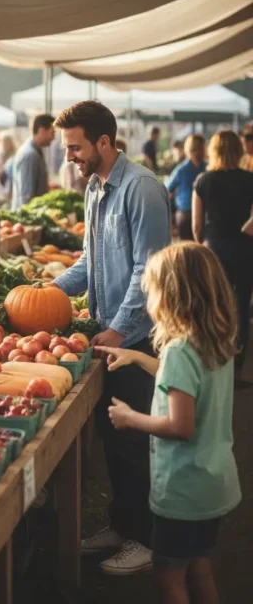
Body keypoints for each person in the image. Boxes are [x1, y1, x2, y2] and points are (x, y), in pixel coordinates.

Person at [52, 100, 171, 575]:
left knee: (134, 440)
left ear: (104, 142)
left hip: (137, 340)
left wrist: (119, 329)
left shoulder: (141, 189)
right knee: (112, 433)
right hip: (109, 337)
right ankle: (123, 526)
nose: (69, 157)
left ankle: (145, 539)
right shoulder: (96, 189)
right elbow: (88, 262)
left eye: (75, 147)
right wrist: (45, 294)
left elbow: (149, 270)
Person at [99, 243, 240, 604]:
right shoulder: (215, 343)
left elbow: (181, 425)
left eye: (153, 291)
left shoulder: (179, 351)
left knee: (168, 577)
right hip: (212, 482)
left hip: (182, 489)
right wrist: (136, 357)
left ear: (172, 296)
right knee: (200, 569)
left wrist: (132, 419)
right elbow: (184, 386)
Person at [193, 130, 253, 379]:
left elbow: (196, 224)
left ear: (213, 151)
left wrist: (202, 244)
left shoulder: (203, 180)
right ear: (239, 151)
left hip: (213, 247)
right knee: (241, 301)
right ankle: (238, 357)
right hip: (244, 247)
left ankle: (215, 355)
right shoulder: (250, 179)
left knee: (215, 302)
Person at [11, 114, 55, 210]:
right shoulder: (30, 155)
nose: (54, 137)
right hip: (27, 216)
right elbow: (26, 195)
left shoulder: (36, 152)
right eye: (52, 132)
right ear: (42, 131)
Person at [167, 134, 206, 241]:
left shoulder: (181, 170)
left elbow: (167, 190)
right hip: (196, 214)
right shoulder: (207, 169)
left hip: (191, 214)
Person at [0, 132, 17, 205]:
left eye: (8, 142)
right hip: (0, 181)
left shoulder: (15, 154)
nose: (6, 145)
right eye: (4, 142)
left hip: (11, 180)